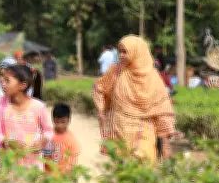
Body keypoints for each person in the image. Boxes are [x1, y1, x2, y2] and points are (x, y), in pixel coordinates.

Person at [93, 35, 176, 164]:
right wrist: (101, 110)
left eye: (125, 52)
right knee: (122, 175)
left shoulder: (153, 78)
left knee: (143, 169)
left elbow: (163, 111)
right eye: (120, 51)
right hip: (120, 132)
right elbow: (100, 88)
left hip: (145, 131)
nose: (121, 55)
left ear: (137, 52)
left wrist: (165, 145)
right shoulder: (115, 72)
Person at [43, 104, 81, 175]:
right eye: (57, 122)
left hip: (62, 176)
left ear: (69, 120)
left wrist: (70, 174)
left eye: (63, 122)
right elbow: (41, 154)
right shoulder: (47, 135)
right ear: (52, 120)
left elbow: (73, 161)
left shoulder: (71, 139)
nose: (60, 125)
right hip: (46, 175)